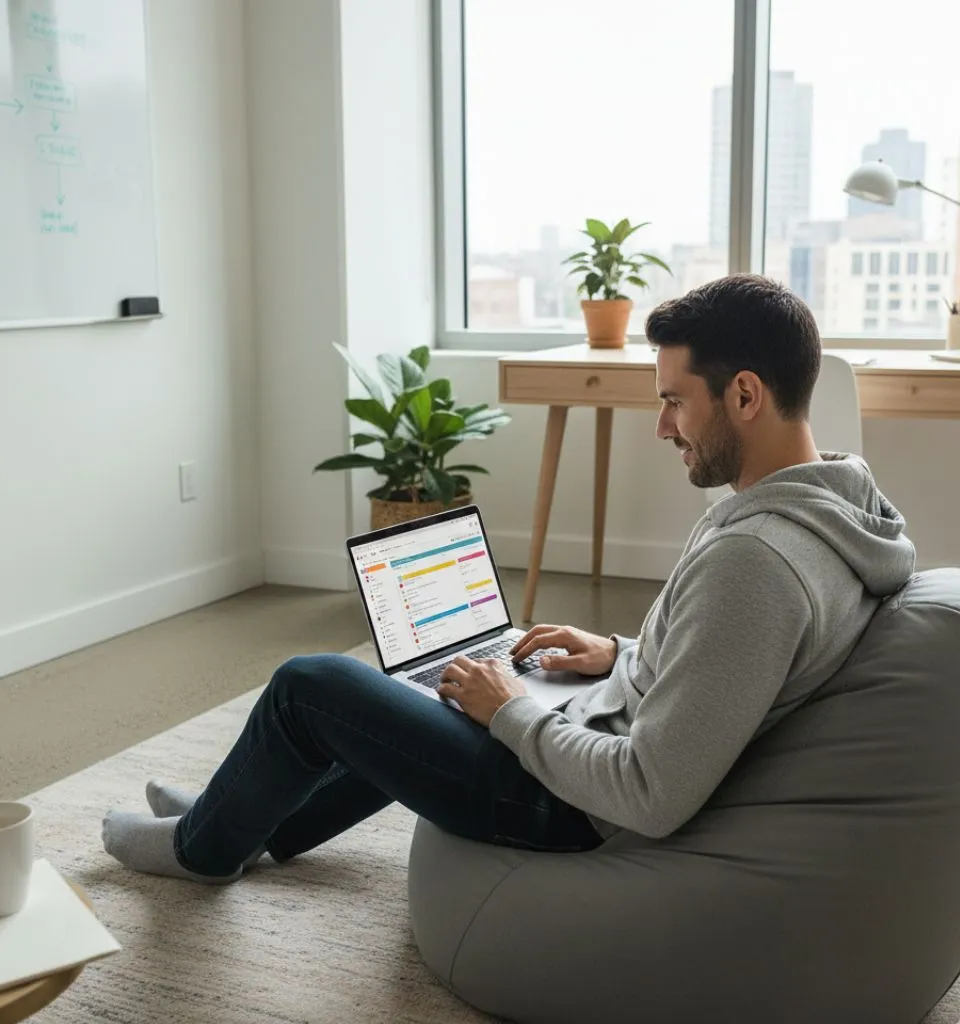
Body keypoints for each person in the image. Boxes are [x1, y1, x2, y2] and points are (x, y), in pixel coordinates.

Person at [102, 273, 915, 883]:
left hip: (572, 806)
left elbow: (650, 794)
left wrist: (515, 716)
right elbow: (729, 668)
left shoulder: (759, 561)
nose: (664, 426)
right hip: (601, 724)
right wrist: (622, 653)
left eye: (675, 401)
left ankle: (201, 851)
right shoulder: (836, 504)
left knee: (307, 686)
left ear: (744, 393)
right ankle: (245, 821)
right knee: (437, 685)